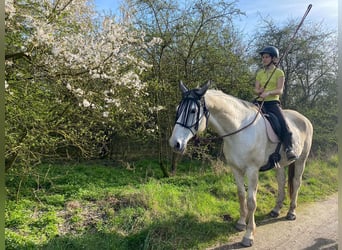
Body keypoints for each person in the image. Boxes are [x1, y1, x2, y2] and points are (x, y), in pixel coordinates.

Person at [254, 46, 297, 161]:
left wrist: (268, 93)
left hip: (272, 103)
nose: (264, 59)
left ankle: (289, 148)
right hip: (258, 102)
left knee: (283, 123)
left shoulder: (279, 72)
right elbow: (256, 89)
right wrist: (259, 91)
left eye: (267, 57)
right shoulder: (260, 73)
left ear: (273, 58)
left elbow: (280, 90)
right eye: (263, 57)